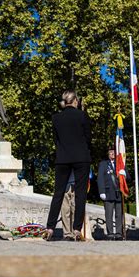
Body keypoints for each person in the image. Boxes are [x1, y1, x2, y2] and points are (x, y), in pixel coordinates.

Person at [45, 90, 91, 241]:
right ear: (76, 101)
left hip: (63, 157)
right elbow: (88, 138)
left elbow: (55, 139)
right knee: (80, 194)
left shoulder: (56, 118)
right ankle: (77, 229)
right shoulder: (82, 115)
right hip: (81, 157)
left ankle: (50, 228)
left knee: (58, 193)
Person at [97, 146, 127, 240]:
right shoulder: (103, 164)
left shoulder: (121, 164)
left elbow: (128, 178)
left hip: (119, 193)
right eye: (110, 153)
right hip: (108, 192)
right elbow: (100, 178)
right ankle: (110, 233)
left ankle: (118, 233)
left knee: (119, 214)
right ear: (108, 154)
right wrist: (102, 191)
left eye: (114, 152)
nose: (112, 154)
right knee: (109, 215)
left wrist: (124, 173)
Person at [60, 170, 76, 241]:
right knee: (65, 210)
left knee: (74, 210)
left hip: (76, 185)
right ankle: (67, 234)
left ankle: (75, 233)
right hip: (65, 186)